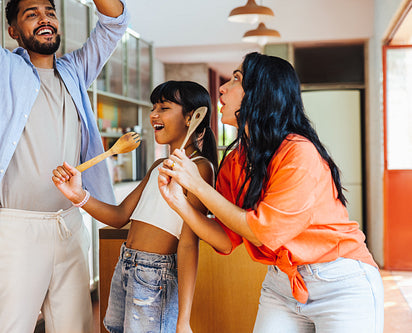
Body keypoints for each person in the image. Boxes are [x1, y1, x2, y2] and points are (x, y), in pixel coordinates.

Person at [0, 0, 128, 331]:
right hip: (16, 231)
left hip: (69, 226)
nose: (44, 19)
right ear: (14, 31)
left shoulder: (75, 71)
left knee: (76, 328)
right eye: (31, 14)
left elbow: (113, 23)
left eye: (50, 12)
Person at [158, 53, 384, 332]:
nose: (222, 88)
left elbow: (263, 231)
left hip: (340, 282)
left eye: (236, 79)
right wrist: (179, 202)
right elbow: (227, 241)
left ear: (262, 93)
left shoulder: (299, 153)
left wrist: (198, 186)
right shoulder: (234, 161)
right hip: (281, 285)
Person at [52, 80, 218, 333]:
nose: (154, 114)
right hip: (126, 264)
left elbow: (187, 244)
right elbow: (119, 216)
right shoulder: (158, 166)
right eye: (154, 107)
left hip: (155, 275)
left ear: (191, 117)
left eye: (164, 107)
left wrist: (183, 320)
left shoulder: (200, 168)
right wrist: (78, 196)